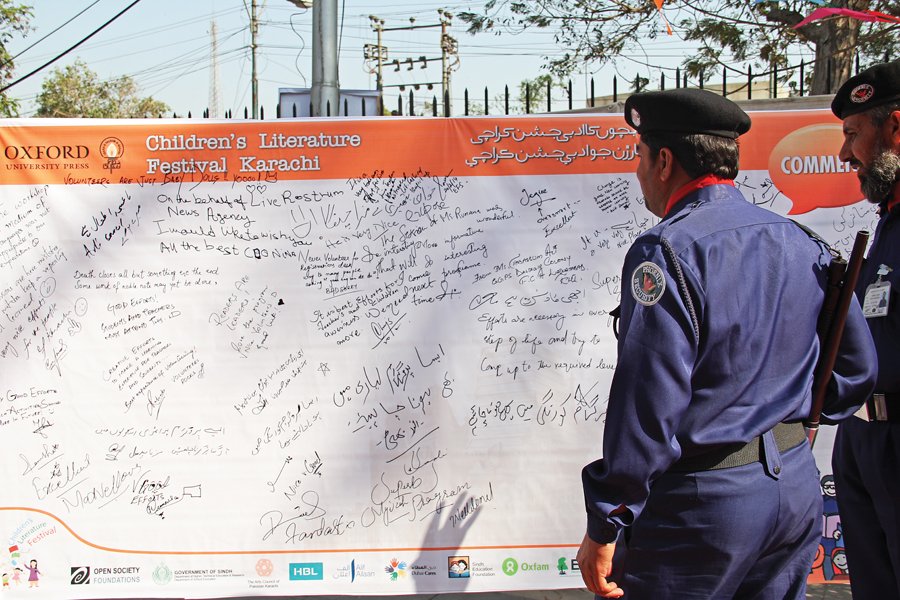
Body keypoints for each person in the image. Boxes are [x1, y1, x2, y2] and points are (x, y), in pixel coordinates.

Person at [577, 88, 878, 599]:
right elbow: (857, 368)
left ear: (665, 160)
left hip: (703, 507)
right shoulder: (799, 238)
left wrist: (608, 518)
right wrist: (790, 428)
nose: (639, 173)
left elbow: (648, 402)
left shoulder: (667, 250)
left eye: (640, 157)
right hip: (793, 489)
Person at [830, 58, 900, 600]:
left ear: (894, 127)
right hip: (863, 436)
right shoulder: (887, 223)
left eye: (853, 134)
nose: (843, 152)